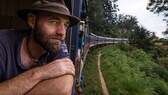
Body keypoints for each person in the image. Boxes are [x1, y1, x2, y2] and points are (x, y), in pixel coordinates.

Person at [0, 0, 80, 95]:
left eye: (65, 25)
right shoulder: (3, 44)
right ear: (32, 21)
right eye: (53, 21)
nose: (62, 32)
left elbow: (64, 86)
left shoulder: (55, 45)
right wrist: (41, 73)